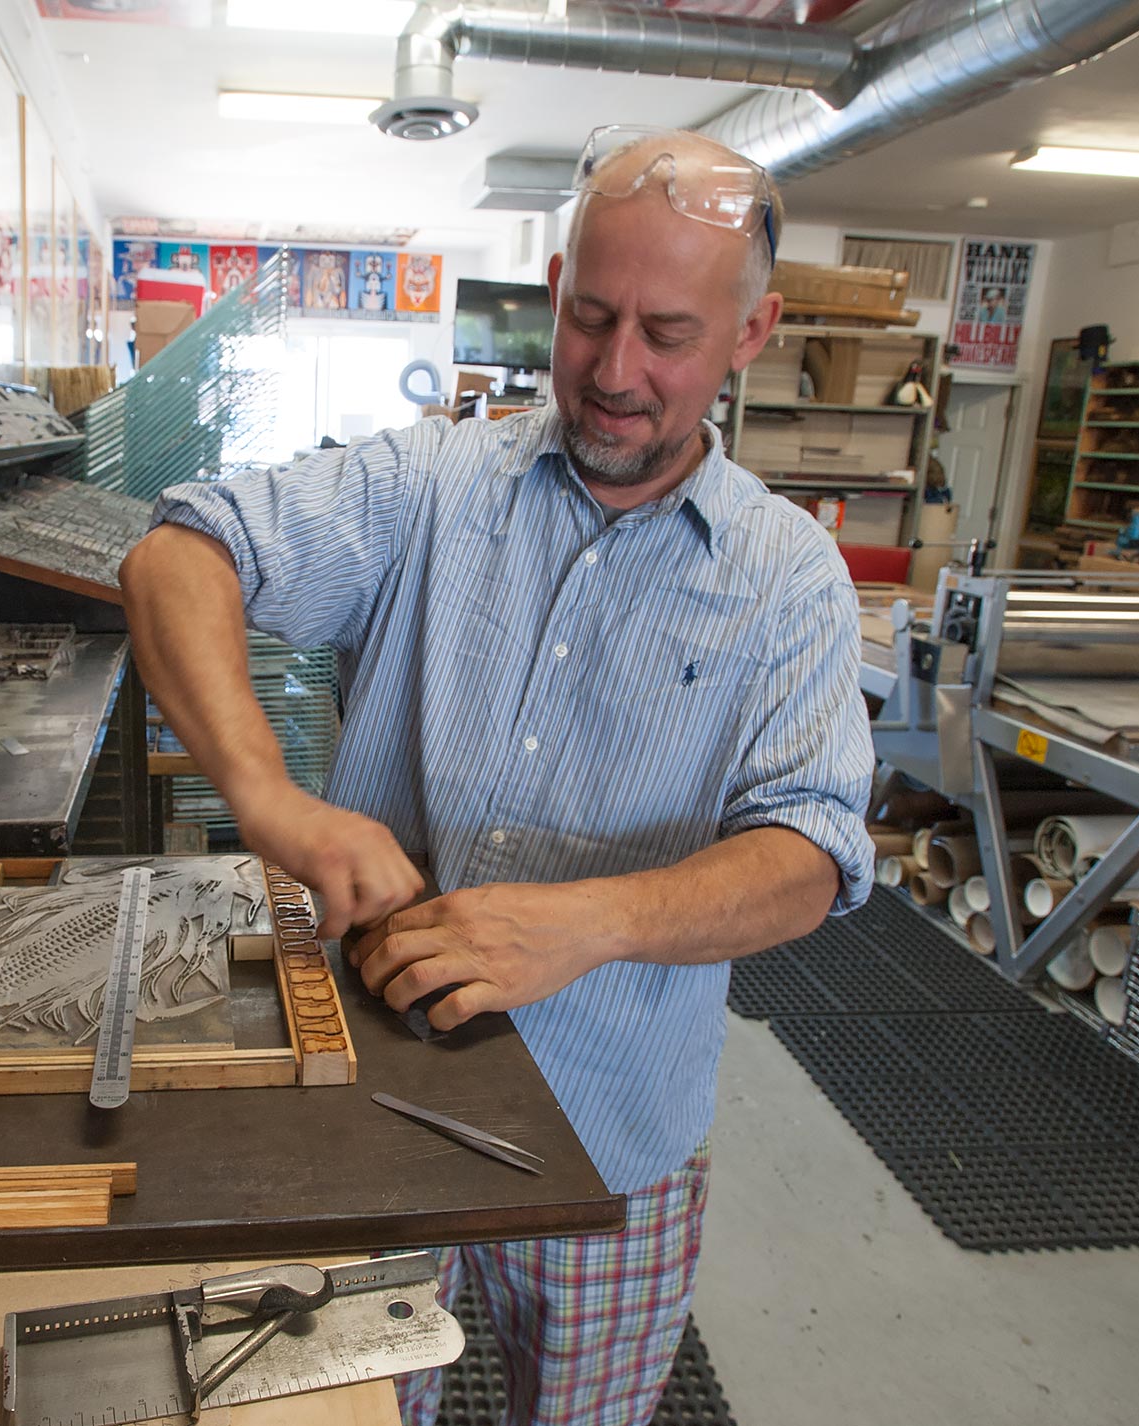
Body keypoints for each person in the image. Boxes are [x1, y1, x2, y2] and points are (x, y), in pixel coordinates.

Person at [117, 125, 875, 1426]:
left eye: (668, 335)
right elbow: (178, 556)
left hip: (616, 1137)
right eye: (590, 318)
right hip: (373, 1107)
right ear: (555, 285)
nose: (615, 372)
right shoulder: (431, 483)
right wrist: (273, 800)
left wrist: (592, 921)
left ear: (751, 333)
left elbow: (810, 855)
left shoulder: (788, 578)